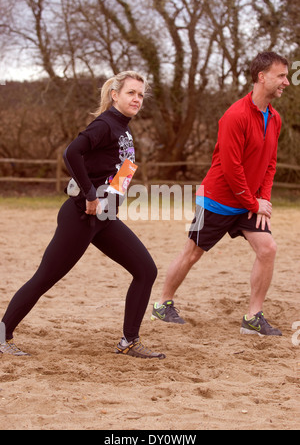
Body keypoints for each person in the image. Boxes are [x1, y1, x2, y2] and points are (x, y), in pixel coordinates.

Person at [0, 71, 165, 359]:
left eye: (140, 94)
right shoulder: (104, 125)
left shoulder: (124, 129)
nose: (137, 98)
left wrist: (111, 204)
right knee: (45, 277)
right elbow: (71, 153)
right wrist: (89, 195)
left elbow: (122, 171)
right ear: (115, 95)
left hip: (104, 219)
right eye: (131, 93)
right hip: (81, 215)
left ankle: (129, 340)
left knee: (145, 270)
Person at [151, 52, 290, 336]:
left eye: (287, 76)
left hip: (248, 203)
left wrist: (262, 199)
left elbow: (270, 163)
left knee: (268, 249)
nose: (287, 82)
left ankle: (252, 317)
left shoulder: (274, 118)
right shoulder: (234, 116)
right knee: (192, 253)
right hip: (218, 200)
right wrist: (253, 201)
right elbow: (231, 168)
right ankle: (162, 304)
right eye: (281, 76)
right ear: (262, 77)